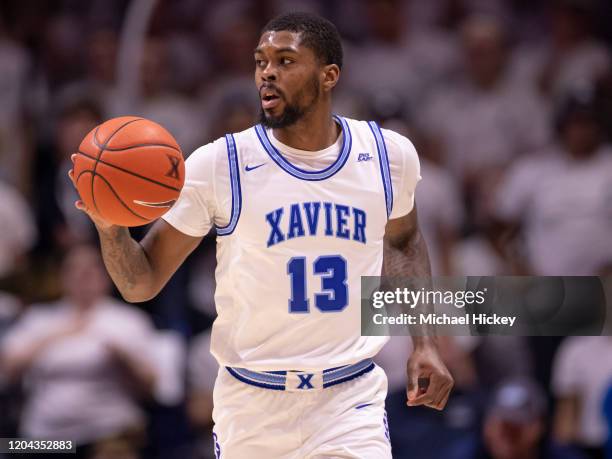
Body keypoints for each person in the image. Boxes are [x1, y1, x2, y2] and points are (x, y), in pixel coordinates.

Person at [68, 12, 453, 458]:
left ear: (328, 76)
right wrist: (111, 229)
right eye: (261, 61)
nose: (267, 72)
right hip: (252, 403)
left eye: (285, 61)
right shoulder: (219, 165)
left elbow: (404, 241)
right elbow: (141, 282)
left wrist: (426, 341)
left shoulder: (388, 155)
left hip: (348, 397)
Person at [0, 245, 158, 458]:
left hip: (109, 432)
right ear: (62, 276)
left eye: (91, 270)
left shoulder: (127, 320)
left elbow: (152, 386)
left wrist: (122, 356)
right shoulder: (39, 318)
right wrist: (53, 337)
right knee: (8, 447)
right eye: (74, 270)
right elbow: (8, 367)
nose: (83, 276)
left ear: (107, 275)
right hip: (47, 436)